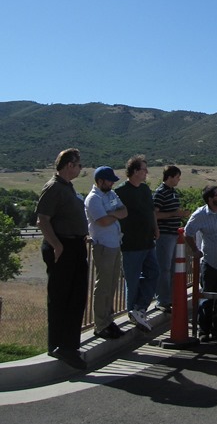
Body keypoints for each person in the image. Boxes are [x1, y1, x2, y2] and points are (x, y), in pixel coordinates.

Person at [36, 148, 88, 369]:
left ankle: (70, 344)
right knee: (61, 296)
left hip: (75, 245)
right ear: (69, 165)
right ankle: (59, 345)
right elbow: (42, 220)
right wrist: (57, 245)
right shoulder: (54, 187)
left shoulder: (67, 186)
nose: (80, 168)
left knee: (76, 296)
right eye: (78, 165)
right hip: (63, 246)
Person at [184, 185, 217, 342]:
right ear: (210, 199)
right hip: (210, 261)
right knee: (207, 296)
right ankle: (204, 330)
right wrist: (195, 250)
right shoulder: (200, 215)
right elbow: (188, 232)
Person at [116, 155, 160, 332]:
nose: (146, 173)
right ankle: (132, 312)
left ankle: (140, 307)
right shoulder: (121, 192)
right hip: (131, 243)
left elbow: (151, 212)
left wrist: (155, 228)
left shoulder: (145, 190)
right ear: (134, 171)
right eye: (143, 169)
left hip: (147, 241)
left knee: (153, 272)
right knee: (132, 279)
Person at [84, 166, 128, 340]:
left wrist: (113, 214)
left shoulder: (111, 194)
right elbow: (102, 221)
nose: (111, 183)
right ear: (100, 181)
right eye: (109, 180)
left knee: (112, 284)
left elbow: (124, 211)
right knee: (103, 286)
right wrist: (114, 215)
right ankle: (100, 324)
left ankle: (109, 320)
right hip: (103, 246)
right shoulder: (93, 199)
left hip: (115, 243)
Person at [153, 165, 190, 311]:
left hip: (174, 234)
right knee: (165, 268)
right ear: (170, 177)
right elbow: (155, 214)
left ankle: (172, 297)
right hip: (165, 235)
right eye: (177, 177)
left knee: (174, 268)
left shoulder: (173, 192)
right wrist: (175, 214)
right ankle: (162, 299)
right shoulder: (160, 193)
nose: (179, 180)